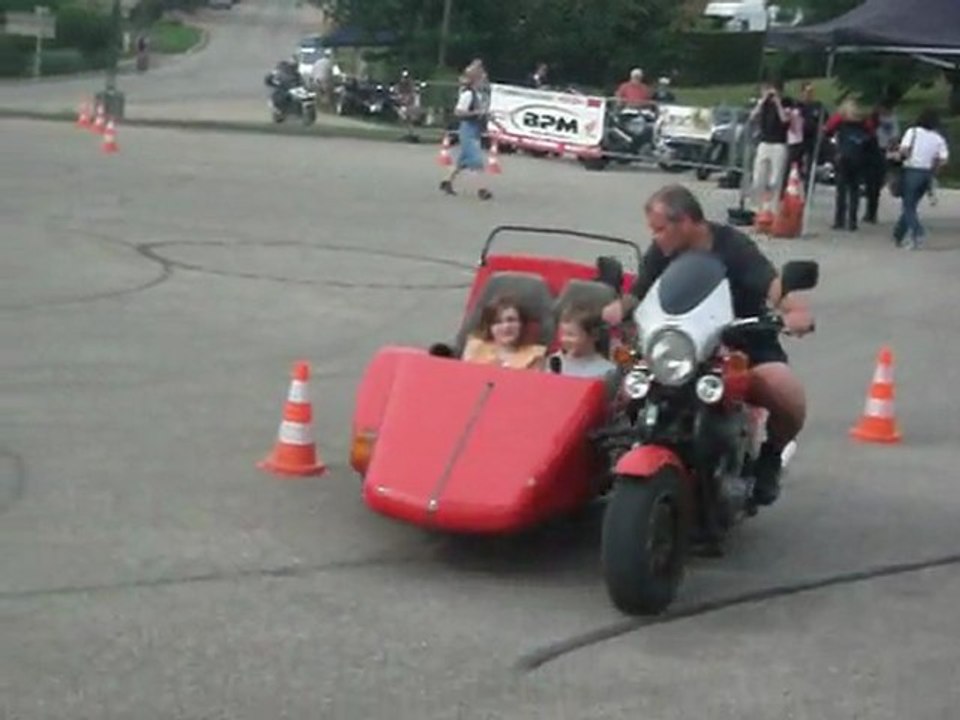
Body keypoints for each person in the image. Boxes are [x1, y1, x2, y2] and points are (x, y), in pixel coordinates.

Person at [601, 184, 814, 507]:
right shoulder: (663, 251)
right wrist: (615, 309)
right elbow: (639, 291)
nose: (655, 237)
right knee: (617, 384)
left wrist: (794, 311)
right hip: (680, 344)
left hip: (741, 340)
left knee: (786, 391)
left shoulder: (733, 246)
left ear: (685, 221)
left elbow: (772, 286)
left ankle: (770, 458)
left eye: (660, 229)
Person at [892, 108, 950, 250]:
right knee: (912, 205)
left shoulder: (913, 132)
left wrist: (895, 155)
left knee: (908, 205)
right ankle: (898, 234)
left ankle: (918, 232)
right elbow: (943, 159)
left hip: (912, 170)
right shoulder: (938, 138)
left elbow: (904, 151)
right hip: (927, 173)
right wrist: (933, 168)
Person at [440, 60, 493, 200]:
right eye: (482, 79)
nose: (484, 81)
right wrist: (476, 113)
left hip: (474, 129)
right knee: (476, 160)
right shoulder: (468, 95)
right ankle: (482, 189)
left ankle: (447, 182)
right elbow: (458, 112)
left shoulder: (479, 95)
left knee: (462, 161)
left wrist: (484, 115)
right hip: (467, 129)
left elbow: (480, 111)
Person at [823, 98, 875, 232]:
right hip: (858, 157)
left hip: (843, 156)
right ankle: (852, 222)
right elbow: (871, 134)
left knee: (841, 190)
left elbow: (827, 129)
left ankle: (839, 220)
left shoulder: (840, 119)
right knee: (854, 190)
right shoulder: (864, 121)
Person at [461, 295, 547, 370]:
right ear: (490, 327)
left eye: (511, 320)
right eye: (497, 322)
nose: (506, 327)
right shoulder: (475, 349)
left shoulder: (535, 356)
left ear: (521, 324)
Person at [749, 80, 791, 215]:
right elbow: (752, 116)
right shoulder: (763, 105)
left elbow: (785, 120)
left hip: (779, 143)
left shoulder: (787, 103)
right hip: (764, 142)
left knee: (775, 179)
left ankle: (773, 209)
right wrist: (762, 101)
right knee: (758, 177)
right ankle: (757, 208)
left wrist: (778, 102)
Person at [548, 305, 617, 380]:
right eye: (563, 334)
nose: (565, 339)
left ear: (594, 335)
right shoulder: (553, 361)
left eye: (571, 335)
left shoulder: (606, 371)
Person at [863, 100, 900, 224]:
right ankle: (871, 212)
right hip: (876, 150)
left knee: (874, 184)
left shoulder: (887, 119)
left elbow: (894, 136)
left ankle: (871, 212)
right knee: (873, 184)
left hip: (881, 151)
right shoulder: (876, 119)